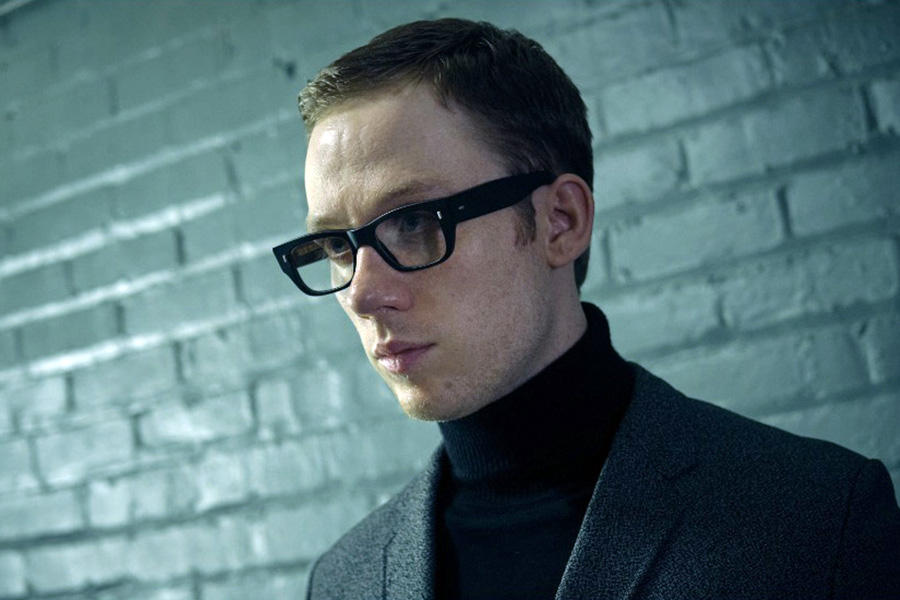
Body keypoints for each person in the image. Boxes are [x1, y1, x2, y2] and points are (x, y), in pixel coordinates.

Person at [272, 18, 900, 599]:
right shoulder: (343, 580)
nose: (361, 293)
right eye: (335, 246)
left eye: (413, 222)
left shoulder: (819, 517)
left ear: (561, 221)